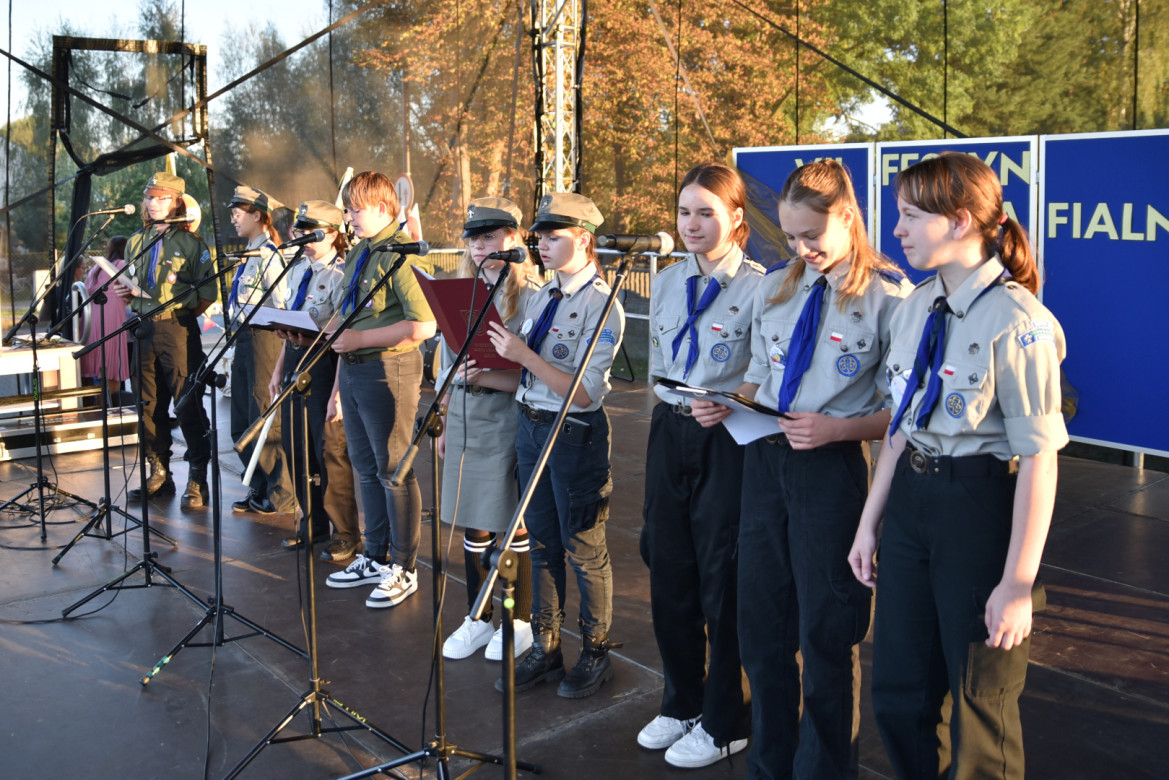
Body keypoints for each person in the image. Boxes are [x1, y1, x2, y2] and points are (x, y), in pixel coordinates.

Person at [848, 152, 1066, 780]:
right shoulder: (916, 305)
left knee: (979, 705)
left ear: (962, 220)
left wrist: (1017, 584)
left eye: (912, 216)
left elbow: (1039, 460)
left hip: (976, 511)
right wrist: (869, 524)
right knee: (900, 691)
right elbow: (900, 427)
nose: (898, 230)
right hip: (911, 506)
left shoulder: (1018, 322)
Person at [696, 159, 910, 778]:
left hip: (831, 471)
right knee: (762, 630)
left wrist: (839, 429)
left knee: (826, 634)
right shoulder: (778, 287)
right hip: (765, 463)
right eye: (790, 237)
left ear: (846, 217)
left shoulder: (889, 299)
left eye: (812, 235)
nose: (801, 249)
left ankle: (823, 770)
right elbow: (760, 376)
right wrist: (730, 402)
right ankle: (770, 764)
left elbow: (903, 414)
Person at [638, 162, 761, 768]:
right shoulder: (666, 281)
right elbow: (661, 366)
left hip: (727, 437)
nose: (691, 224)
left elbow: (768, 372)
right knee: (669, 571)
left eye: (706, 213)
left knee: (722, 580)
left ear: (735, 218)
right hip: (671, 430)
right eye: (685, 211)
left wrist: (734, 401)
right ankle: (682, 700)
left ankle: (726, 719)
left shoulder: (763, 287)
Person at [486, 192, 624, 699]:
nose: (540, 244)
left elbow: (584, 392)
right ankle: (546, 646)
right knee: (542, 543)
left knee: (583, 548)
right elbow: (528, 369)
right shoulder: (543, 294)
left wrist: (523, 355)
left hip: (573, 435)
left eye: (553, 236)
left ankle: (595, 649)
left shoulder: (602, 304)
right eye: (538, 236)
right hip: (530, 424)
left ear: (583, 239)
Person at [323, 171, 436, 609]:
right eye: (348, 209)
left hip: (389, 369)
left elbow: (424, 325)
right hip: (355, 369)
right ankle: (375, 555)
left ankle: (404, 567)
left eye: (356, 209)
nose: (349, 217)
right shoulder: (361, 251)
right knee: (365, 466)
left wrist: (359, 339)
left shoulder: (401, 254)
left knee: (394, 468)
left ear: (383, 208)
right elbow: (347, 311)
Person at [437, 198, 543, 662]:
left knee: (511, 521)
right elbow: (447, 360)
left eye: (490, 237)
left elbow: (538, 374)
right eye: (474, 239)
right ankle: (478, 617)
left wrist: (488, 376)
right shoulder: (463, 292)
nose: (480, 247)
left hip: (507, 416)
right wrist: (444, 418)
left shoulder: (534, 295)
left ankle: (518, 621)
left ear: (514, 238)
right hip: (465, 413)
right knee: (473, 520)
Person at [114, 171, 215, 509]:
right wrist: (125, 294)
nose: (154, 203)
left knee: (187, 403)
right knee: (147, 404)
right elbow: (132, 285)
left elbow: (207, 294)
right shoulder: (136, 241)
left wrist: (178, 315)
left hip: (177, 329)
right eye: (150, 197)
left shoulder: (191, 243)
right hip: (141, 329)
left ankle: (197, 477)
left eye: (162, 198)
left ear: (177, 202)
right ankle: (159, 472)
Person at [266, 201, 360, 562]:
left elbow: (342, 332)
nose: (303, 237)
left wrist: (337, 392)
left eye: (311, 231)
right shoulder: (297, 270)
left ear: (333, 234)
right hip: (295, 358)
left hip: (325, 363)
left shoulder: (342, 274)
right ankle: (313, 522)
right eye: (299, 230)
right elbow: (293, 322)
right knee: (297, 447)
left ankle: (345, 532)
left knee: (329, 451)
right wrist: (278, 370)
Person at [226, 185, 297, 517]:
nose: (233, 219)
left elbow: (282, 303)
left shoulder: (269, 255)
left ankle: (280, 491)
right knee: (241, 417)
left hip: (265, 338)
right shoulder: (250, 253)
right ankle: (258, 482)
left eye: (238, 213)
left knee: (264, 415)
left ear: (257, 215)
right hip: (244, 337)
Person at [81, 236, 131, 397]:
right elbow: (130, 293)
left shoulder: (97, 267)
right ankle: (111, 405)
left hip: (91, 321)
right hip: (111, 320)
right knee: (111, 371)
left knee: (95, 368)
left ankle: (94, 405)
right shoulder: (121, 265)